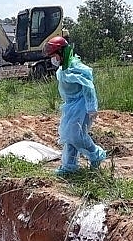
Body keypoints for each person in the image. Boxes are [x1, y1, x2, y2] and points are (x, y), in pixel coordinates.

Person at [44, 36, 106, 175]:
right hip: (71, 106)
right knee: (68, 136)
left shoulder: (76, 68)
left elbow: (88, 87)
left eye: (54, 56)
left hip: (82, 106)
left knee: (76, 135)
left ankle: (95, 154)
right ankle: (69, 166)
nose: (52, 59)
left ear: (61, 53)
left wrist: (91, 107)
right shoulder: (62, 69)